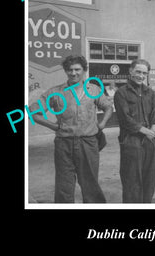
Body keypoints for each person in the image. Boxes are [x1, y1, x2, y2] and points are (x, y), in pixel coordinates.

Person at [29, 55, 113, 203]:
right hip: (64, 144)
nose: (73, 73)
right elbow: (33, 113)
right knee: (64, 185)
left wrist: (103, 123)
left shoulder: (93, 90)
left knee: (90, 184)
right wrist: (53, 126)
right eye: (69, 70)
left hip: (88, 143)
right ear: (65, 71)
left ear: (84, 71)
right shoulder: (55, 93)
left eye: (77, 69)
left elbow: (107, 107)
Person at [114, 59, 155, 203]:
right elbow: (125, 119)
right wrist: (145, 131)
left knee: (149, 178)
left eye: (144, 73)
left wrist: (153, 129)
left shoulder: (150, 92)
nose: (141, 76)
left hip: (149, 139)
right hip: (131, 140)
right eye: (138, 72)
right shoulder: (121, 93)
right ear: (131, 71)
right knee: (132, 179)